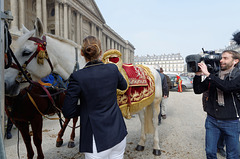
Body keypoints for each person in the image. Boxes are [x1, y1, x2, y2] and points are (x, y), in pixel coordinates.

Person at [62, 36, 128, 159]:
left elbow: (68, 111)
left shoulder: (77, 77)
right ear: (101, 53)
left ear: (82, 53)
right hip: (118, 132)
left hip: (95, 139)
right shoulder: (112, 69)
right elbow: (124, 86)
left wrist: (86, 108)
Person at [193, 50, 240, 159]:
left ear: (235, 61)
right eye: (221, 58)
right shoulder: (214, 75)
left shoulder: (238, 75)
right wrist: (197, 75)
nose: (221, 60)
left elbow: (228, 87)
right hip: (212, 120)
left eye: (225, 58)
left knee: (232, 155)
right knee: (210, 152)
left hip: (231, 121)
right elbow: (198, 90)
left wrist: (209, 75)